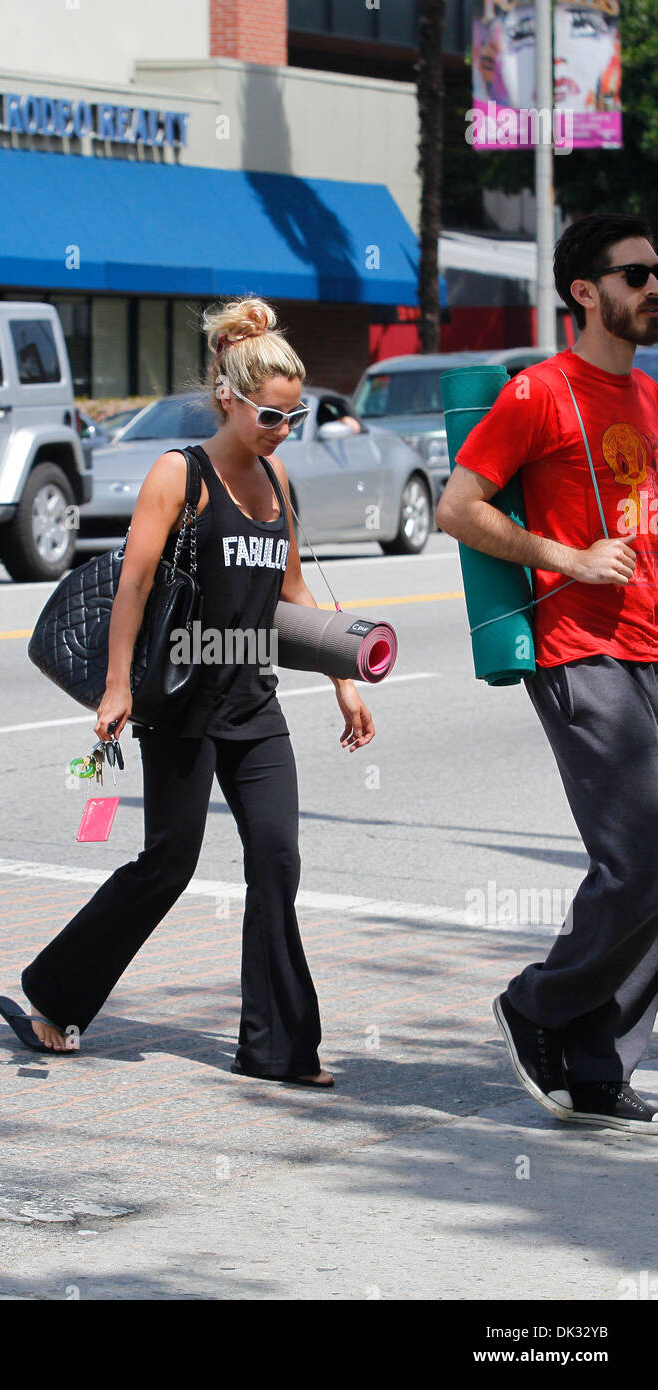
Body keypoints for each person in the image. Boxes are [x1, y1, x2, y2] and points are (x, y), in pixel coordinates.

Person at [0, 297, 376, 1086]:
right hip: (181, 706)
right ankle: (52, 998)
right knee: (168, 862)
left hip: (254, 705)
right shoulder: (180, 474)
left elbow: (294, 592)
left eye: (295, 417)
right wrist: (114, 688)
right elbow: (131, 585)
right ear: (229, 399)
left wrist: (342, 677)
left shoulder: (274, 481)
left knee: (277, 861)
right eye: (271, 414)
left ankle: (275, 1049)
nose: (282, 429)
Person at [436, 213, 658, 1133]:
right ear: (585, 291)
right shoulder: (538, 392)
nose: (654, 288)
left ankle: (596, 1055)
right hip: (581, 652)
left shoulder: (646, 398)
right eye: (637, 274)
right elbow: (457, 507)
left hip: (651, 644)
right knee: (640, 855)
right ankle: (536, 1005)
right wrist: (563, 559)